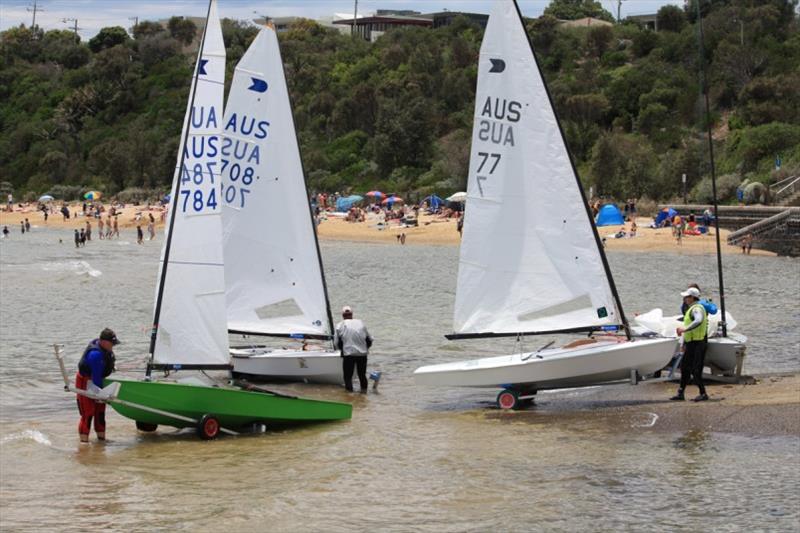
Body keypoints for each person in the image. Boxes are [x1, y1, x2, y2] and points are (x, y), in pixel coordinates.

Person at [76, 328, 118, 442]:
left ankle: (102, 440)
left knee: (100, 412)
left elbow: (100, 375)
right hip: (85, 381)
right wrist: (100, 395)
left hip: (98, 379)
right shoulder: (95, 355)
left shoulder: (104, 348)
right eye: (112, 344)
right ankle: (84, 443)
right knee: (88, 413)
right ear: (103, 342)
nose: (113, 346)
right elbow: (96, 379)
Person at [671, 288, 709, 402]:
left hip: (698, 343)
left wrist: (684, 329)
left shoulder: (697, 308)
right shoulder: (691, 308)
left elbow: (698, 320)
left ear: (692, 297)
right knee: (684, 368)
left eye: (686, 297)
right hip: (691, 343)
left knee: (696, 370)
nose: (684, 299)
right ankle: (681, 393)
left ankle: (703, 394)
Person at [334, 306, 373, 393]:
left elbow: (336, 343)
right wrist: (365, 349)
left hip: (349, 355)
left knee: (348, 377)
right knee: (362, 375)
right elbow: (370, 339)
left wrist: (341, 350)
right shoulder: (361, 323)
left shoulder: (340, 325)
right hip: (362, 354)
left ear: (343, 315)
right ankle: (364, 394)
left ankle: (349, 396)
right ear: (352, 314)